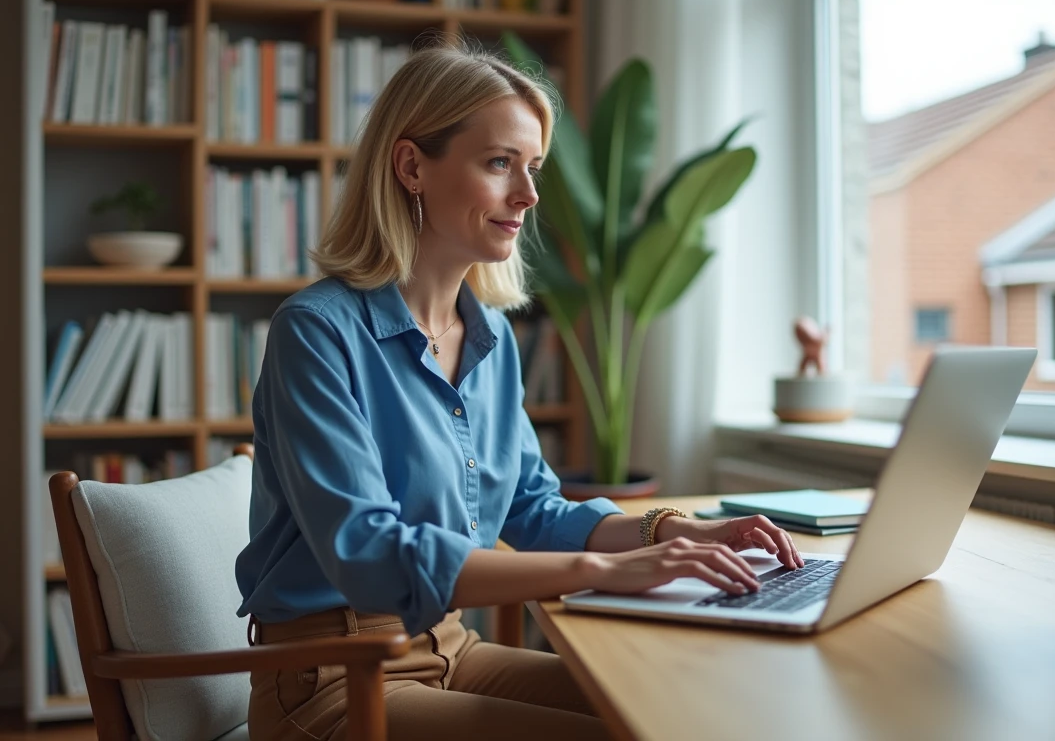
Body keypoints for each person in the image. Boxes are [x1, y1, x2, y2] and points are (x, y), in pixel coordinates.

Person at [234, 40, 804, 740]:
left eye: (532, 168)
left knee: (681, 708)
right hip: (332, 678)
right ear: (411, 165)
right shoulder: (317, 334)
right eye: (500, 163)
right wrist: (603, 568)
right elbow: (369, 553)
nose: (530, 196)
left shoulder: (491, 337)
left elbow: (533, 508)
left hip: (450, 647)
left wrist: (675, 531)